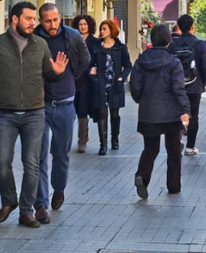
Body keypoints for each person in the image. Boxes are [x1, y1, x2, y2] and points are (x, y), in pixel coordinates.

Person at [0, 2, 68, 228]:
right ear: (15, 19)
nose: (32, 23)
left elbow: (48, 75)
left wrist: (57, 73)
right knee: (2, 162)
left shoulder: (40, 44)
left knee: (32, 164)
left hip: (34, 113)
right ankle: (9, 200)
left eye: (33, 19)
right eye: (28, 18)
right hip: (5, 114)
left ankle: (26, 211)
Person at [32, 4, 90, 223]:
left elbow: (85, 59)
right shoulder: (33, 38)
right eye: (48, 21)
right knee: (38, 154)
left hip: (65, 103)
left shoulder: (72, 36)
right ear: (40, 21)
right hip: (39, 104)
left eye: (56, 19)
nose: (53, 24)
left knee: (61, 154)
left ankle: (59, 188)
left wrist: (70, 76)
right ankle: (41, 204)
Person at [131, 24, 191, 198]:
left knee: (150, 148)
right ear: (168, 39)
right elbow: (178, 89)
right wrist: (185, 109)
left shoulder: (141, 61)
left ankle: (142, 175)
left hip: (149, 112)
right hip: (171, 113)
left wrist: (142, 100)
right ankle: (173, 186)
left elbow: (135, 86)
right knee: (173, 150)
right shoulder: (173, 61)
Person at [169, 15, 206, 155]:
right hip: (194, 85)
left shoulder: (173, 44)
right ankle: (190, 147)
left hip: (177, 85)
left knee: (177, 114)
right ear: (192, 26)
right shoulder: (200, 44)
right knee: (194, 116)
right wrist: (203, 82)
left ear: (179, 27)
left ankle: (178, 140)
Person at [89, 19, 132, 153]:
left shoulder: (120, 47)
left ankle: (115, 140)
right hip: (101, 84)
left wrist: (121, 78)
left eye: (104, 29)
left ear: (112, 30)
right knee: (102, 113)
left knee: (114, 114)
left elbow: (128, 65)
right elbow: (89, 64)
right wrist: (93, 75)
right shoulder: (96, 47)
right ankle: (103, 144)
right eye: (101, 29)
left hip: (115, 84)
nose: (102, 31)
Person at [72, 14, 98, 153]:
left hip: (88, 81)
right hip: (74, 79)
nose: (82, 27)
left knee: (83, 111)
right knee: (72, 111)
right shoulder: (73, 40)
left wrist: (95, 69)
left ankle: (82, 140)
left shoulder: (95, 42)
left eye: (85, 24)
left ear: (89, 26)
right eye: (80, 24)